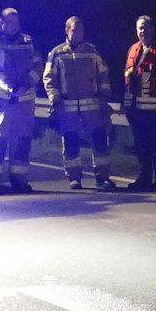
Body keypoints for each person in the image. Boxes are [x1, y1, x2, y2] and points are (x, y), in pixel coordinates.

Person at [43, 15, 116, 190]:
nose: (79, 34)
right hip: (67, 108)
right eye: (75, 30)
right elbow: (49, 79)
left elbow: (103, 75)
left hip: (92, 107)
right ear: (67, 31)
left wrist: (105, 98)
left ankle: (103, 177)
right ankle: (74, 178)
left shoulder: (92, 51)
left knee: (99, 141)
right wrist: (55, 100)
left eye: (81, 30)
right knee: (70, 143)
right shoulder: (56, 54)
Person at [0, 7, 40, 193]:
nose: (13, 26)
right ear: (1, 22)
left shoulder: (28, 41)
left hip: (25, 101)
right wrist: (10, 87)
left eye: (16, 22)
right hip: (0, 101)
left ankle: (19, 180)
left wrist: (26, 84)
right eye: (9, 22)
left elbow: (38, 65)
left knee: (22, 140)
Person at [121, 14, 156, 192]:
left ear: (153, 29)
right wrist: (127, 106)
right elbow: (127, 81)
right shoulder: (133, 50)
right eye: (140, 28)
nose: (143, 31)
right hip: (137, 110)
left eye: (146, 27)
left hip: (155, 110)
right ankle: (144, 178)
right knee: (141, 146)